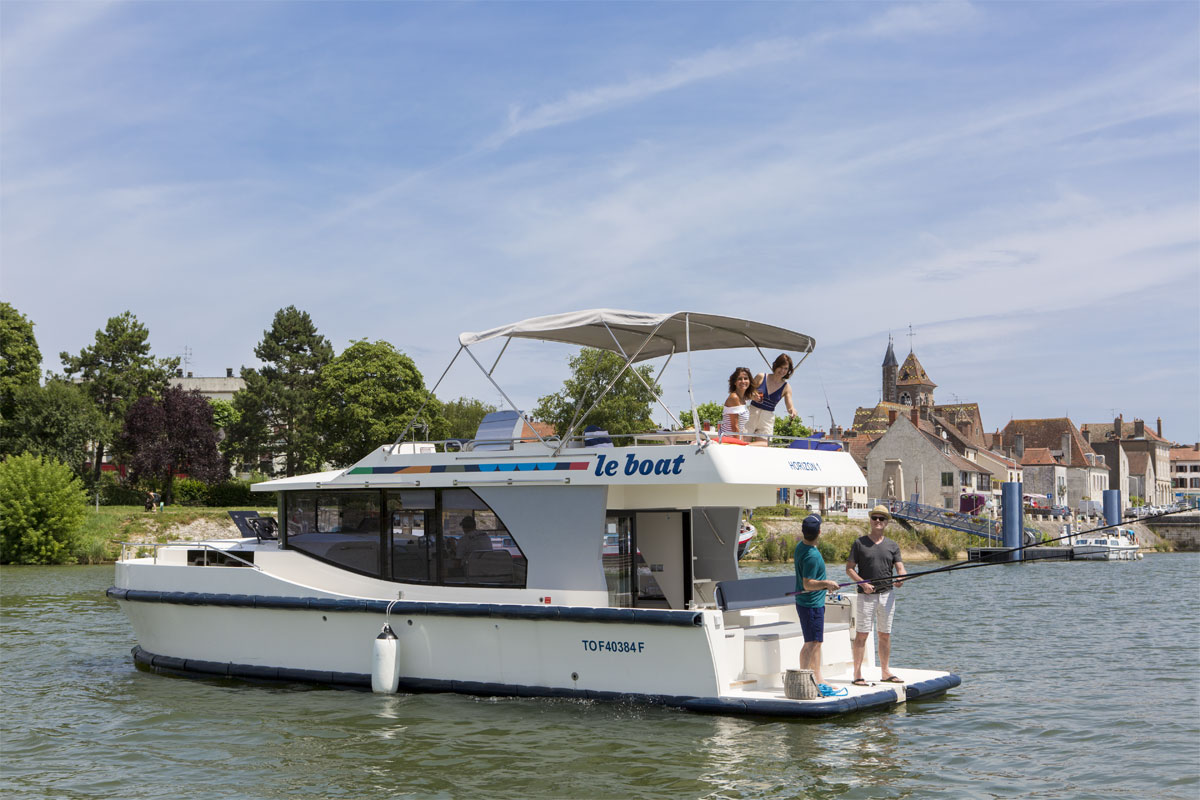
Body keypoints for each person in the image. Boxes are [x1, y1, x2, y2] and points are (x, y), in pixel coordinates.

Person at [845, 504, 908, 686]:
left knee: (885, 634)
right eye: (875, 518)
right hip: (866, 596)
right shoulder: (859, 543)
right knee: (862, 634)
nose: (878, 521)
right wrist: (862, 583)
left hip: (887, 595)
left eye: (882, 518)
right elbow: (849, 569)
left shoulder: (892, 545)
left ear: (887, 522)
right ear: (870, 520)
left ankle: (885, 671)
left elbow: (900, 568)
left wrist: (901, 578)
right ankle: (857, 674)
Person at [793, 514, 843, 697]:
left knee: (817, 642)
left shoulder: (801, 546)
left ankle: (818, 677)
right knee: (810, 643)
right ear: (820, 532)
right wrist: (827, 583)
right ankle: (804, 680)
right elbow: (807, 584)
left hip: (812, 602)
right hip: (810, 604)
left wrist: (824, 584)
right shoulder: (812, 556)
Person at [748, 354, 797, 441]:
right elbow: (746, 393)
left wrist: (792, 411)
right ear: (775, 366)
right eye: (780, 367)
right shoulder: (761, 377)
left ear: (789, 370)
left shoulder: (786, 387)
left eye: (785, 368)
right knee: (743, 441)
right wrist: (753, 396)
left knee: (763, 446)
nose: (782, 371)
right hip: (752, 412)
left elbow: (790, 406)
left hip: (767, 418)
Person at [719, 367, 766, 445]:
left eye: (746, 378)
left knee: (764, 444)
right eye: (739, 379)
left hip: (735, 438)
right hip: (728, 440)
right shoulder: (734, 398)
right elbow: (735, 426)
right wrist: (740, 444)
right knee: (764, 444)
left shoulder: (743, 399)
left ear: (749, 381)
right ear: (735, 382)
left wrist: (754, 396)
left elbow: (751, 396)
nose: (743, 381)